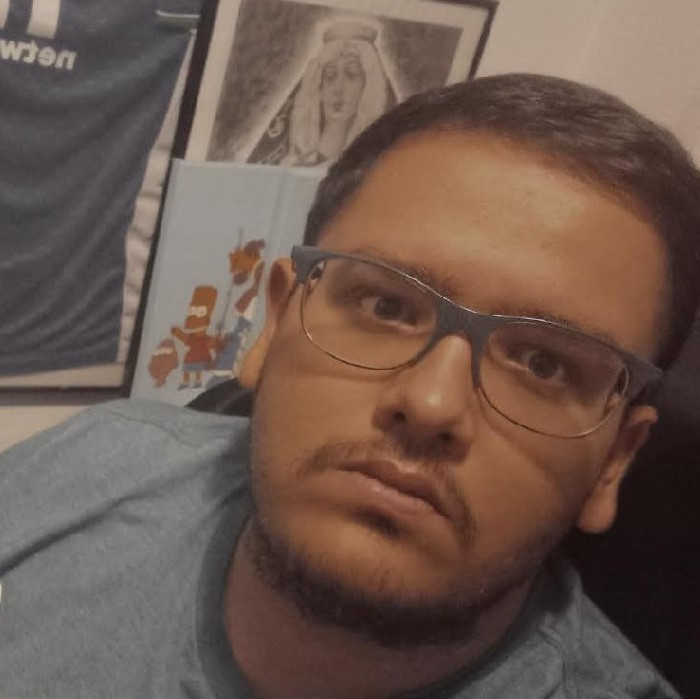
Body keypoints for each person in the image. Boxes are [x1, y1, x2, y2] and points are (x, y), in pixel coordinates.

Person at [1, 73, 698, 699]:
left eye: (545, 365)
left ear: (614, 460)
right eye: (385, 306)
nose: (430, 404)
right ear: (275, 324)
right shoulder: (90, 466)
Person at [247, 21, 397, 166]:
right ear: (318, 87)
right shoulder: (292, 163)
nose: (338, 88)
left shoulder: (377, 165)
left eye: (351, 74)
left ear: (369, 86)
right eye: (330, 76)